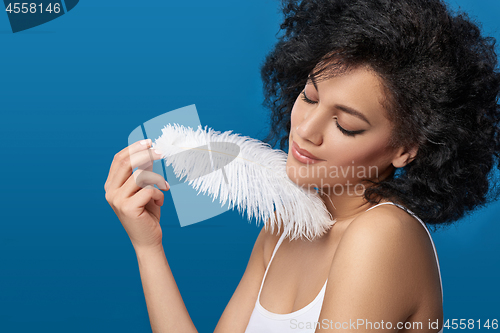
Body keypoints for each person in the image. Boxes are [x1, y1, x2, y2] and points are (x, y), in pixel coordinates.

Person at [104, 0, 500, 332]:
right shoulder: (281, 229)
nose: (306, 130)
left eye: (346, 124)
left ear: (405, 150)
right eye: (309, 97)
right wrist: (148, 247)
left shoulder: (383, 235)